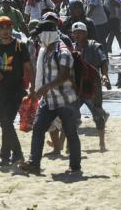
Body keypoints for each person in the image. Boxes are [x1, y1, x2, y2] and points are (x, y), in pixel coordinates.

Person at [19, 20, 82, 175]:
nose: (37, 39)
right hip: (49, 100)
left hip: (65, 101)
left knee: (71, 133)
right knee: (38, 128)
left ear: (47, 34)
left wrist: (44, 88)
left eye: (39, 35)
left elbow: (64, 75)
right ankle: (34, 163)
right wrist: (37, 90)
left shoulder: (62, 51)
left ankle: (75, 167)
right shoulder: (46, 50)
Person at [0, 16, 34, 166]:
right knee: (5, 122)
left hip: (17, 89)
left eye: (8, 27)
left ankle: (17, 154)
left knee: (7, 121)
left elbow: (28, 67)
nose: (5, 31)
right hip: (0, 90)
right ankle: (5, 155)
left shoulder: (20, 46)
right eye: (2, 28)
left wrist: (33, 87)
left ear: (12, 28)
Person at [71, 21, 111, 151]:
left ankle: (102, 143)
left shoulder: (94, 46)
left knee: (97, 114)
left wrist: (105, 75)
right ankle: (66, 145)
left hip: (92, 85)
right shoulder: (71, 48)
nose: (77, 35)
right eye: (75, 33)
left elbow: (103, 61)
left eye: (80, 33)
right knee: (70, 115)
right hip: (76, 87)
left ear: (85, 33)